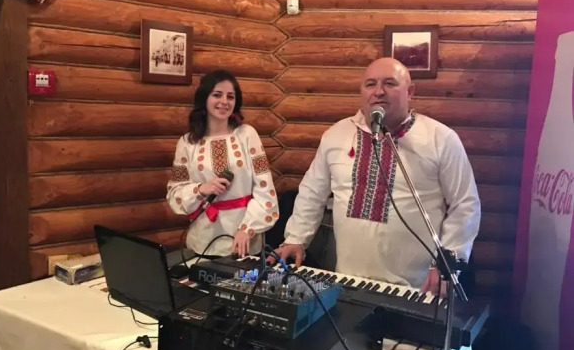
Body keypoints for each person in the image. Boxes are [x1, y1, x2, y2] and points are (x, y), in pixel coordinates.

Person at [274, 57, 481, 295]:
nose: (379, 91)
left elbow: (465, 204)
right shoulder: (337, 135)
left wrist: (447, 265)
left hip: (417, 288)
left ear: (410, 92)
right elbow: (312, 192)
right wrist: (296, 238)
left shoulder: (440, 139)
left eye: (390, 83)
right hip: (348, 281)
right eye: (370, 84)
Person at [166, 70, 279, 258]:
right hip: (203, 241)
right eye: (217, 95)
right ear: (204, 98)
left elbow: (265, 189)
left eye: (230, 96)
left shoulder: (247, 135)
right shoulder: (187, 143)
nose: (224, 101)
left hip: (244, 242)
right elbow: (175, 194)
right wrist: (201, 189)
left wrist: (247, 228)